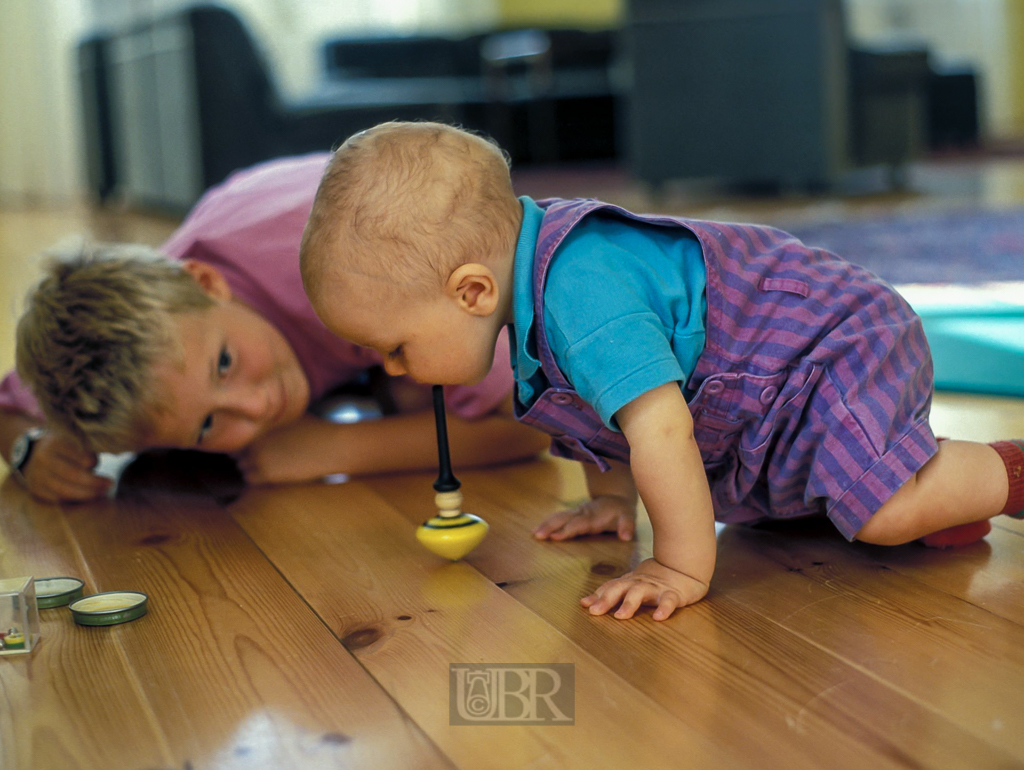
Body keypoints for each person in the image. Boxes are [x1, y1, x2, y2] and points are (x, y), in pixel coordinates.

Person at [299, 121, 1024, 622]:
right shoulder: (530, 301)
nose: (393, 371)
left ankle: (995, 474)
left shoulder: (581, 294)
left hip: (835, 345)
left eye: (395, 346)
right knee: (786, 518)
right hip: (780, 392)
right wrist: (613, 501)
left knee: (881, 516)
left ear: (472, 292)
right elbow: (599, 414)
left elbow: (661, 428)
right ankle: (946, 505)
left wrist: (678, 566)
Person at [1, 152, 547, 504]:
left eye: (224, 363)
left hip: (349, 216)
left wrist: (338, 449)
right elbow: (7, 406)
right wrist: (28, 449)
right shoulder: (117, 349)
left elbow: (530, 426)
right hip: (249, 208)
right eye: (208, 426)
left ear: (207, 282)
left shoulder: (366, 273)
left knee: (419, 383)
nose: (257, 407)